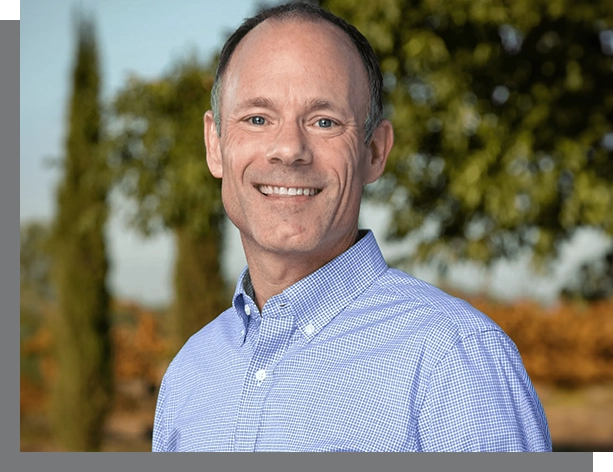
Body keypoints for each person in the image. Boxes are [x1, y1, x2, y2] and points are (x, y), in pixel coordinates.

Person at [152, 2, 552, 452]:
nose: (288, 149)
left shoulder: (454, 357)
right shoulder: (190, 372)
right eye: (257, 119)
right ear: (215, 144)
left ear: (375, 152)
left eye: (324, 121)